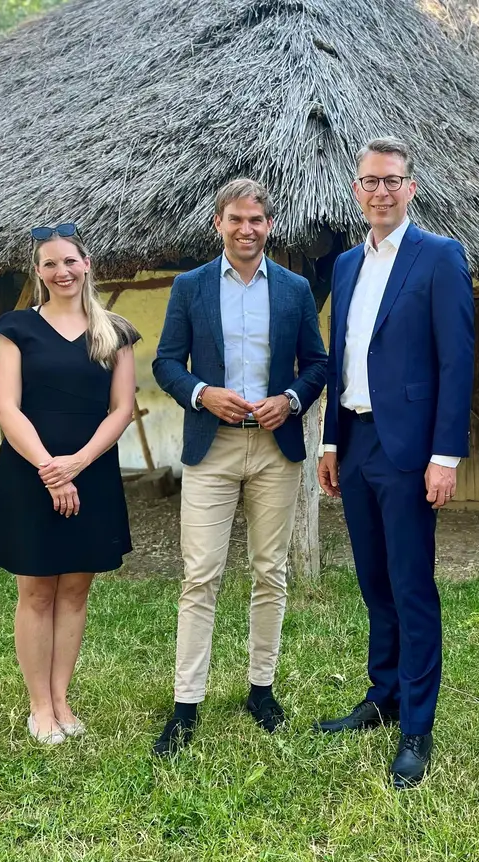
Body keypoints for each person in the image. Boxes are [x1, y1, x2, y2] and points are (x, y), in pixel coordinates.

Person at [314, 137, 475, 788]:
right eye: (370, 181)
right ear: (356, 190)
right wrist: (329, 441)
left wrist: (444, 455)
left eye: (392, 181)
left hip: (409, 449)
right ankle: (381, 696)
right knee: (374, 579)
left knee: (410, 585)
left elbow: (455, 362)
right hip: (353, 442)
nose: (381, 191)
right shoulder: (348, 265)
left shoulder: (440, 257)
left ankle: (416, 724)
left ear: (411, 188)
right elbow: (340, 356)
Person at [149, 179, 328, 756]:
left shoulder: (296, 289)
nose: (246, 229)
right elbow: (166, 362)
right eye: (235, 219)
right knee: (200, 575)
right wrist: (202, 392)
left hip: (276, 448)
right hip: (213, 446)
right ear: (219, 223)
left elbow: (318, 363)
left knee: (269, 573)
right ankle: (185, 705)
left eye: (256, 220)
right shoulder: (190, 286)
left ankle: (261, 690)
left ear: (269, 226)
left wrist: (293, 400)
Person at [0, 223, 140, 745]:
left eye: (69, 261)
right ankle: (38, 706)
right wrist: (50, 467)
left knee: (76, 589)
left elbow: (122, 409)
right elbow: (5, 406)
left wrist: (77, 465)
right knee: (37, 589)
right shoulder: (15, 328)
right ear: (38, 272)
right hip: (29, 469)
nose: (61, 271)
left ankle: (62, 697)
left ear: (86, 264)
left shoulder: (115, 331)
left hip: (92, 470)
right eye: (49, 264)